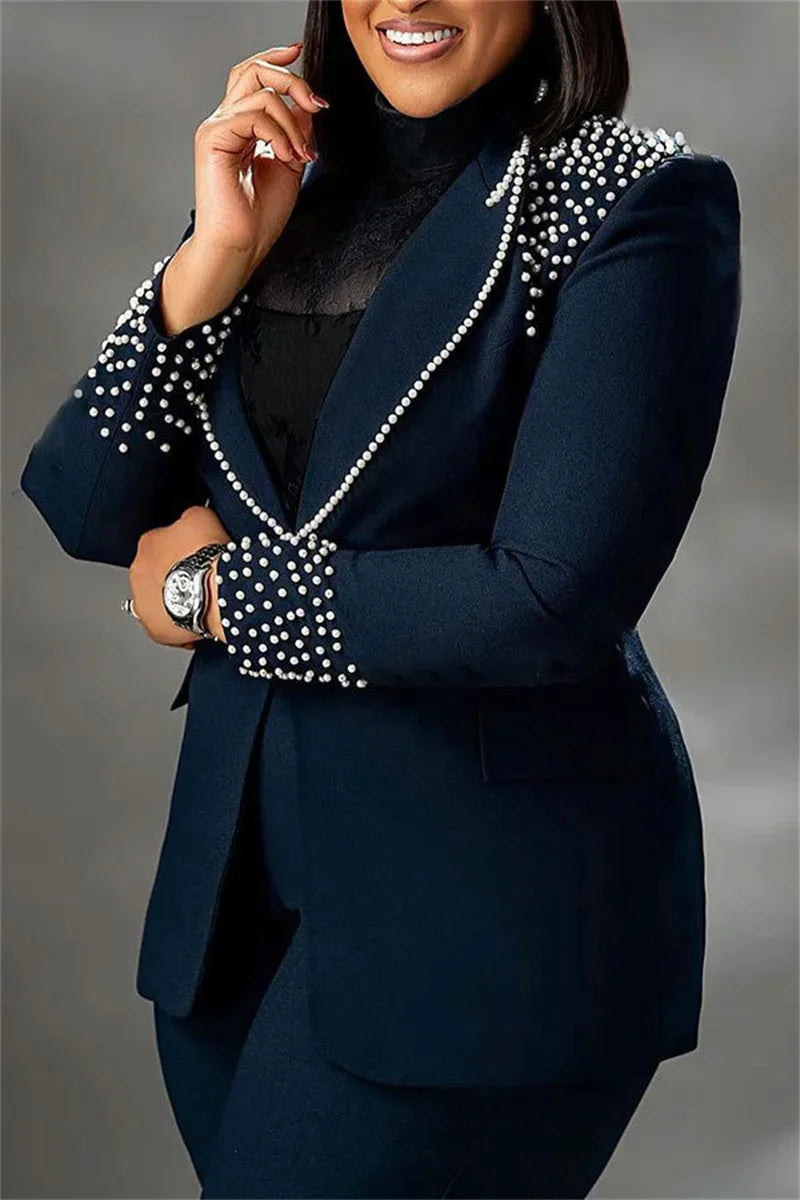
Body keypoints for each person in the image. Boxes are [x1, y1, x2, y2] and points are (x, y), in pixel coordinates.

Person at [19, 0, 742, 1195]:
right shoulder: (281, 182)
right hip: (233, 910)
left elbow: (544, 598)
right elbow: (84, 503)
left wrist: (213, 595)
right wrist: (212, 256)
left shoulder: (628, 196)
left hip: (483, 913)